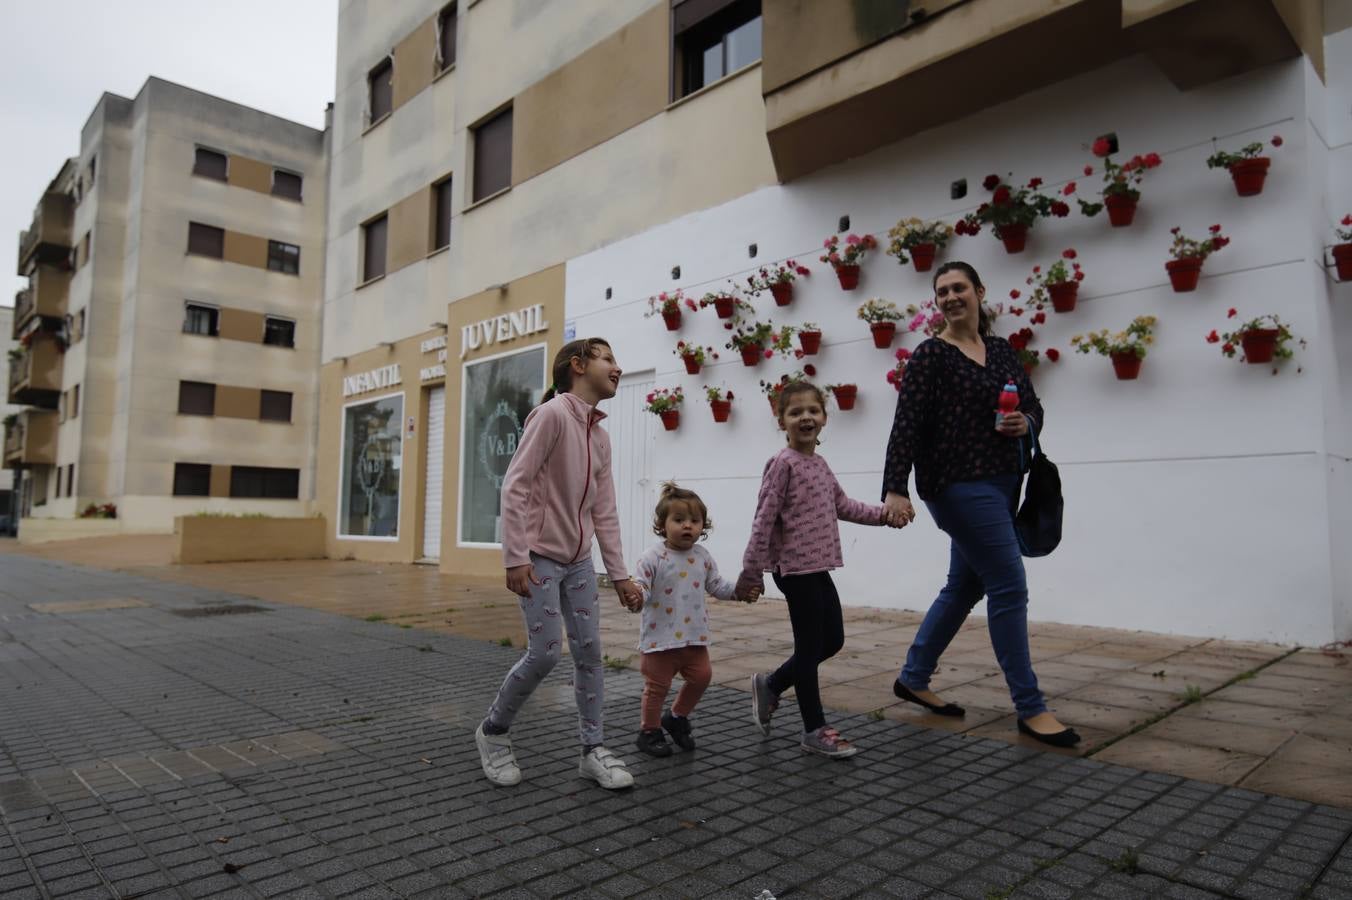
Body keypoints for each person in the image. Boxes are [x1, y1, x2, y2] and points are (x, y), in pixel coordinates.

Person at [882, 261, 1079, 747]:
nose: (951, 297)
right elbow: (907, 423)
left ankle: (914, 676)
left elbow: (1034, 406)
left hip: (1004, 484)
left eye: (959, 288)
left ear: (979, 291)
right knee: (1009, 585)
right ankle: (1030, 707)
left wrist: (1024, 423)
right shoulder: (931, 355)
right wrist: (895, 487)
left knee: (965, 586)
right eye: (942, 291)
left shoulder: (1002, 351)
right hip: (956, 485)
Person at [475, 337, 646, 789]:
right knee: (546, 653)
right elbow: (515, 485)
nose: (617, 367)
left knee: (590, 652)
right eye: (607, 358)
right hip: (539, 559)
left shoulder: (600, 436)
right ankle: (493, 731)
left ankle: (593, 750)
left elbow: (604, 511)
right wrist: (515, 556)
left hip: (580, 563)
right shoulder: (551, 415)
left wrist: (620, 575)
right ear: (578, 365)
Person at [740, 381, 902, 758]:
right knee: (810, 647)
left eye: (812, 410)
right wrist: (752, 570)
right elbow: (764, 518)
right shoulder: (782, 464)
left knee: (832, 640)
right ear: (782, 421)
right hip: (794, 570)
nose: (805, 417)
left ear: (825, 418)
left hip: (818, 567)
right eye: (795, 412)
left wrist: (884, 515)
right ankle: (814, 728)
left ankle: (772, 685)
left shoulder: (820, 465)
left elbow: (842, 505)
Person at [629, 482, 755, 757]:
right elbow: (642, 586)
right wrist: (636, 596)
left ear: (703, 526)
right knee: (657, 688)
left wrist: (740, 592)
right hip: (660, 640)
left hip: (693, 637)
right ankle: (649, 731)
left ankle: (676, 717)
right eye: (679, 520)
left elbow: (717, 585)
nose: (688, 526)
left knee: (702, 677)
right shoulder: (652, 557)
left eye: (695, 521)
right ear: (662, 525)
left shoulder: (702, 556)